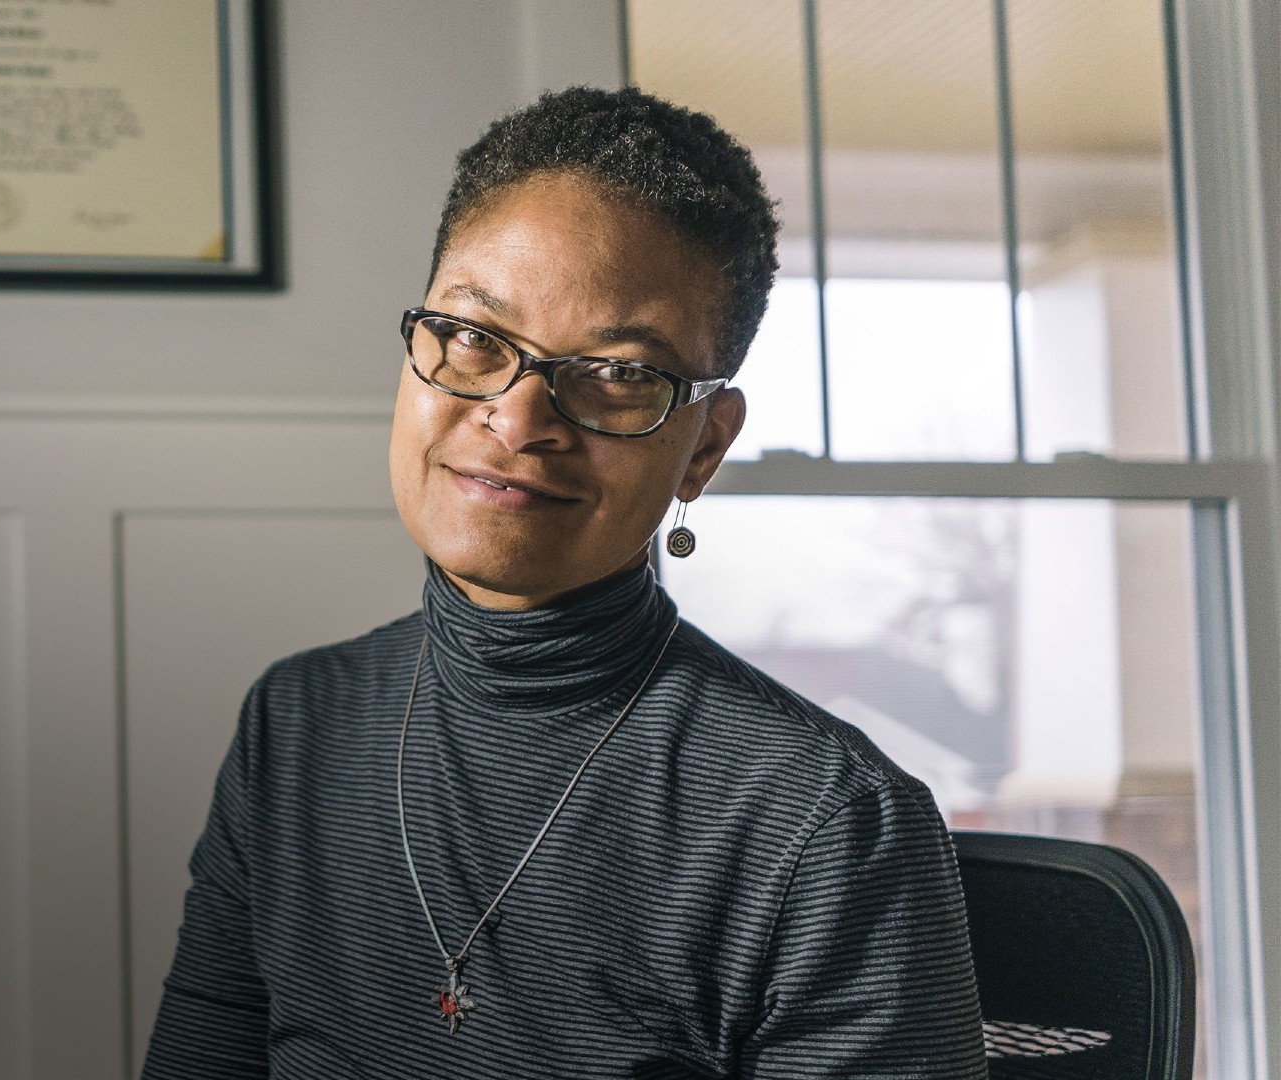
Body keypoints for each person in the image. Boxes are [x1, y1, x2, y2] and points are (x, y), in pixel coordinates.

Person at [142, 86, 988, 1079]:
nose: (518, 415)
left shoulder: (825, 823)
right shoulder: (296, 722)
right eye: (472, 335)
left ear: (704, 448)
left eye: (620, 373)